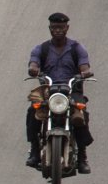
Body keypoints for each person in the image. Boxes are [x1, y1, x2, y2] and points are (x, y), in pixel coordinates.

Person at [25, 13, 93, 172]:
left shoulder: (77, 48)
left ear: (67, 28)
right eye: (54, 27)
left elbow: (85, 67)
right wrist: (33, 69)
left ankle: (82, 156)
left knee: (81, 113)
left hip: (71, 90)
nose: (58, 30)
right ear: (50, 28)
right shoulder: (41, 48)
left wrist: (84, 73)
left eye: (61, 27)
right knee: (32, 111)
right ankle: (34, 150)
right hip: (47, 90)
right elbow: (33, 63)